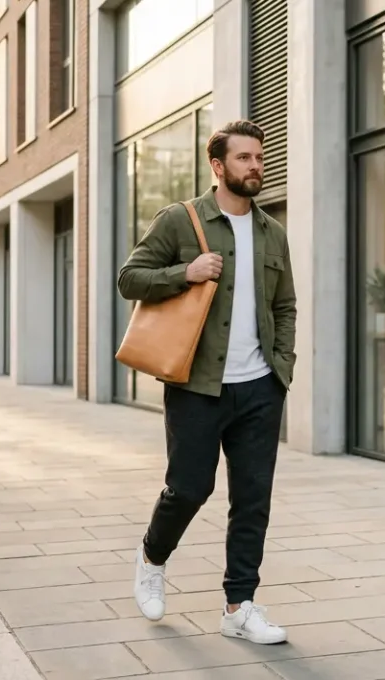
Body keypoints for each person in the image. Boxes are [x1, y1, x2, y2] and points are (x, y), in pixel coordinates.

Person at [117, 120, 295, 645]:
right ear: (217, 166)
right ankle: (152, 557)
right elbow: (130, 277)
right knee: (190, 488)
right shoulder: (181, 220)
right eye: (243, 158)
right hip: (197, 385)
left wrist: (281, 367)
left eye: (258, 158)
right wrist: (185, 273)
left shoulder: (272, 233)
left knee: (253, 498)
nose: (255, 166)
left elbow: (284, 305)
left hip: (260, 386)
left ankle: (239, 606)